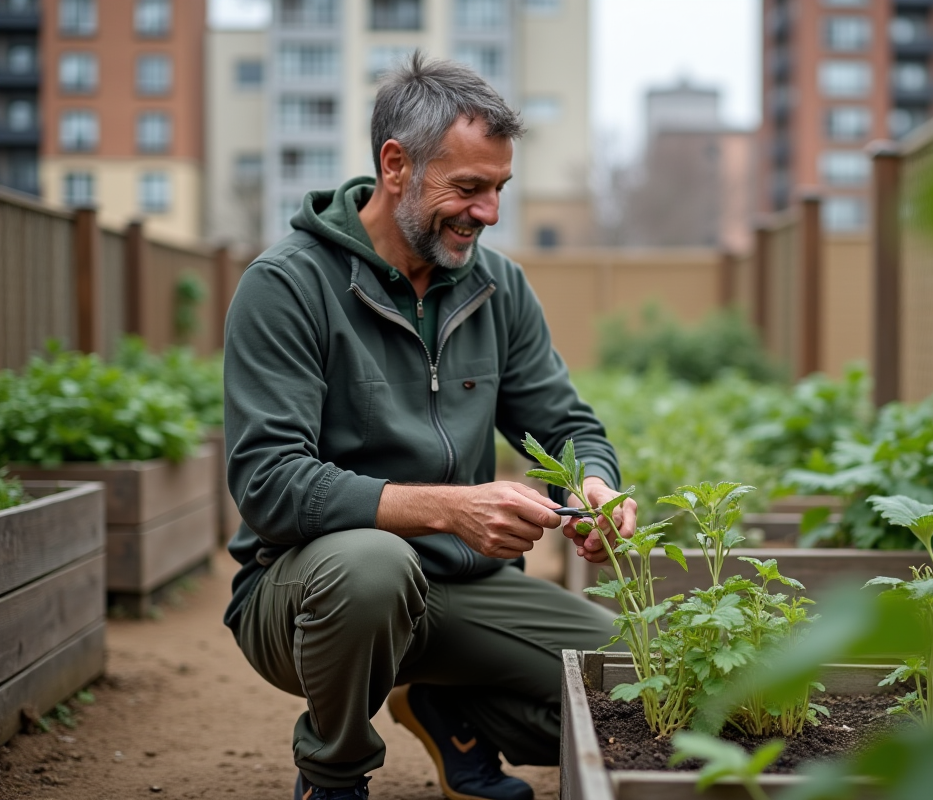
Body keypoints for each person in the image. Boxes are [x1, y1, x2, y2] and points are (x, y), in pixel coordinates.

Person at [221, 53, 636, 800]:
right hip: (313, 596)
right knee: (373, 568)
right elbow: (269, 483)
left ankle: (449, 711)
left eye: (500, 188)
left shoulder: (497, 287)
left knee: (637, 681)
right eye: (469, 188)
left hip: (460, 592)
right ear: (395, 165)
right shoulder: (286, 286)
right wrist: (450, 507)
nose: (490, 213)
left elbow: (566, 422)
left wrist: (597, 486)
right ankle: (335, 774)